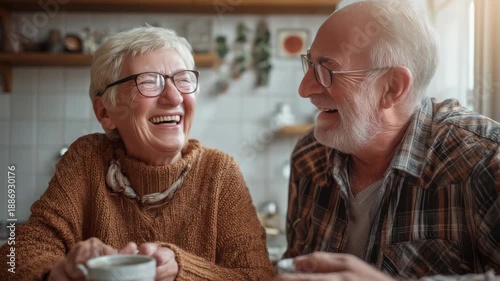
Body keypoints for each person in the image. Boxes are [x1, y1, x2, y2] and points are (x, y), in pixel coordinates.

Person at [0, 26, 275, 281]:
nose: (175, 97)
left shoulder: (219, 172)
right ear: (105, 112)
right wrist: (56, 272)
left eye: (182, 80)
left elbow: (258, 276)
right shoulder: (87, 159)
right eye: (149, 82)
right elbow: (13, 258)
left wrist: (183, 269)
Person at [275, 0, 500, 280]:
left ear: (391, 88)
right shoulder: (310, 155)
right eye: (309, 64)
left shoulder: (486, 161)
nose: (304, 89)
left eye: (326, 71)